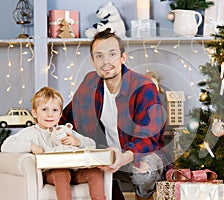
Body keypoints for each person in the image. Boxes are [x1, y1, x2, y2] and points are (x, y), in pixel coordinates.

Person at [60, 28, 170, 200]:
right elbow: (66, 118)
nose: (106, 62)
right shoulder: (89, 84)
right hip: (106, 155)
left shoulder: (144, 86)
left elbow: (149, 137)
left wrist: (124, 157)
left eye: (112, 54)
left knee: (144, 173)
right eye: (99, 56)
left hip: (138, 154)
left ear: (123, 57)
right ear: (93, 61)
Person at [1, 87, 106, 200]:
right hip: (51, 174)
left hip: (73, 172)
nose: (50, 114)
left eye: (55, 110)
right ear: (35, 113)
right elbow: (6, 145)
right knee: (61, 172)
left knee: (95, 172)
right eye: (44, 109)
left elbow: (92, 144)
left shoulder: (65, 131)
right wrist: (30, 146)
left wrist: (78, 142)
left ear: (60, 114)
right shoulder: (31, 132)